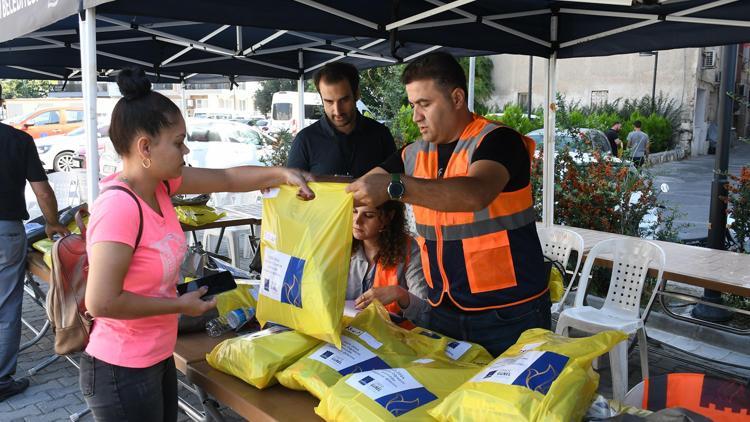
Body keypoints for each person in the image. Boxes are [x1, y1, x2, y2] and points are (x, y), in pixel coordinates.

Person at [80, 68, 313, 422]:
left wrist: (282, 173)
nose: (185, 150)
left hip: (155, 355)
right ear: (145, 147)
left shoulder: (161, 186)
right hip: (121, 369)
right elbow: (101, 302)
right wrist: (176, 305)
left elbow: (227, 178)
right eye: (177, 142)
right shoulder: (119, 207)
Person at [346, 52, 550, 357]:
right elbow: (357, 189)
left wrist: (395, 186)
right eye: (413, 105)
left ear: (457, 98)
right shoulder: (413, 153)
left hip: (509, 314)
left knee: (511, 403)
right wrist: (299, 184)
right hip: (444, 310)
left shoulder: (498, 141)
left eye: (424, 104)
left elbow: (475, 194)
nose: (416, 116)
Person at [0, 119, 69, 401]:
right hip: (6, 231)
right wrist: (52, 223)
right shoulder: (18, 140)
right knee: (6, 306)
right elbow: (42, 190)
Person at [286, 62, 396, 178]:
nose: (337, 111)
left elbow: (396, 183)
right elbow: (294, 192)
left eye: (344, 100)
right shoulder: (304, 141)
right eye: (329, 102)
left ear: (357, 94)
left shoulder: (381, 135)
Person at [349, 201, 430, 328]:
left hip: (395, 337)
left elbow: (425, 315)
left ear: (388, 217)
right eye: (354, 211)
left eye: (369, 215)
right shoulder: (340, 245)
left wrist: (400, 294)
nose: (357, 221)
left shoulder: (410, 250)